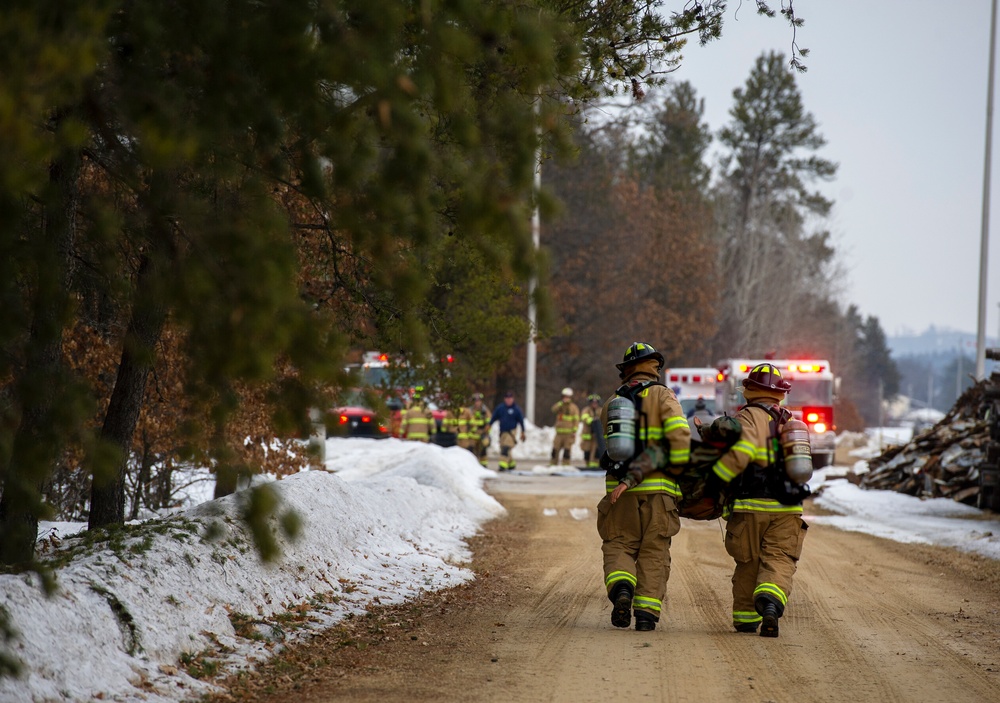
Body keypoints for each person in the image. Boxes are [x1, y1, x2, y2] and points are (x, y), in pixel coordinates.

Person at [705, 363, 809, 638]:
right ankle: (771, 603)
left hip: (752, 504)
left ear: (749, 390)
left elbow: (743, 452)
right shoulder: (791, 421)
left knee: (749, 562)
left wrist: (716, 479)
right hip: (789, 507)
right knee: (779, 558)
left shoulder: (749, 416)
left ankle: (745, 618)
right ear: (780, 394)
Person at [598, 342, 691, 632]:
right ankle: (647, 615)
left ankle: (623, 589)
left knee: (619, 545)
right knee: (654, 550)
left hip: (618, 492)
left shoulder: (612, 402)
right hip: (658, 492)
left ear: (626, 371)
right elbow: (680, 437)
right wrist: (678, 471)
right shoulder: (664, 395)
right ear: (654, 367)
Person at [490, 390, 525, 472]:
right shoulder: (500, 408)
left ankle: (502, 465)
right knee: (504, 448)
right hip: (502, 432)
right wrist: (489, 425)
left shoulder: (516, 409)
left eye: (510, 398)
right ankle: (511, 464)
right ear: (504, 399)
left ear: (513, 399)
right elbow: (494, 417)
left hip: (511, 432)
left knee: (505, 448)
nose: (508, 400)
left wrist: (523, 432)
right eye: (507, 398)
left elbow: (521, 421)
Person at [550, 387, 580, 466]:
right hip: (559, 433)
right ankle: (553, 464)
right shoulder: (559, 406)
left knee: (567, 452)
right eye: (564, 396)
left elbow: (576, 420)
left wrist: (574, 431)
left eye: (567, 397)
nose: (565, 398)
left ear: (570, 397)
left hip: (568, 434)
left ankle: (565, 466)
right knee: (554, 450)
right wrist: (560, 403)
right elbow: (553, 410)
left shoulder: (574, 408)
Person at [458, 393, 490, 467]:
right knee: (471, 450)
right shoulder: (469, 411)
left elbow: (489, 423)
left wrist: (485, 433)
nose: (477, 403)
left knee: (483, 450)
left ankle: (483, 465)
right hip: (472, 435)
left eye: (479, 401)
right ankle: (472, 466)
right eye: (475, 401)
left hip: (482, 434)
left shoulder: (485, 411)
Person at [580, 394, 602, 469]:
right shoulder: (586, 410)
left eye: (596, 402)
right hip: (587, 436)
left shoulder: (600, 410)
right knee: (587, 452)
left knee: (596, 452)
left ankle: (595, 467)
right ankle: (588, 467)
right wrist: (592, 420)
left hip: (597, 437)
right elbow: (584, 417)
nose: (594, 404)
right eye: (593, 402)